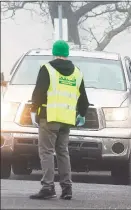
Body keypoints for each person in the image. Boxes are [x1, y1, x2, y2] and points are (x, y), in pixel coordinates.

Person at [29, 40, 89, 200]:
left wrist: (33, 110)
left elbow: (39, 92)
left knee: (47, 152)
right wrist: (82, 114)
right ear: (67, 53)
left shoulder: (47, 69)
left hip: (49, 117)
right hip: (67, 119)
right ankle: (67, 188)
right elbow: (83, 98)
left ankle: (48, 187)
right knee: (63, 152)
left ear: (54, 53)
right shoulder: (77, 72)